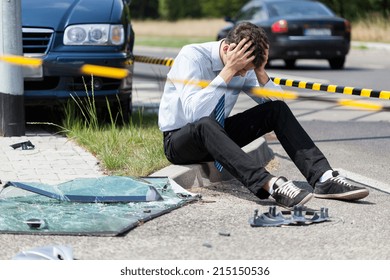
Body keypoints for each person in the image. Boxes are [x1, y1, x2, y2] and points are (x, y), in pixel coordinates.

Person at [158, 22, 369, 209]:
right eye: (242, 70)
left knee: (276, 110)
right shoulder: (192, 57)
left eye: (246, 70)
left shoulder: (246, 65)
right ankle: (270, 184)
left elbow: (278, 103)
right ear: (228, 49)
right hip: (181, 140)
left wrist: (260, 72)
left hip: (218, 134)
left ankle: (322, 178)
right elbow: (194, 114)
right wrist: (229, 71)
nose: (242, 74)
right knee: (205, 123)